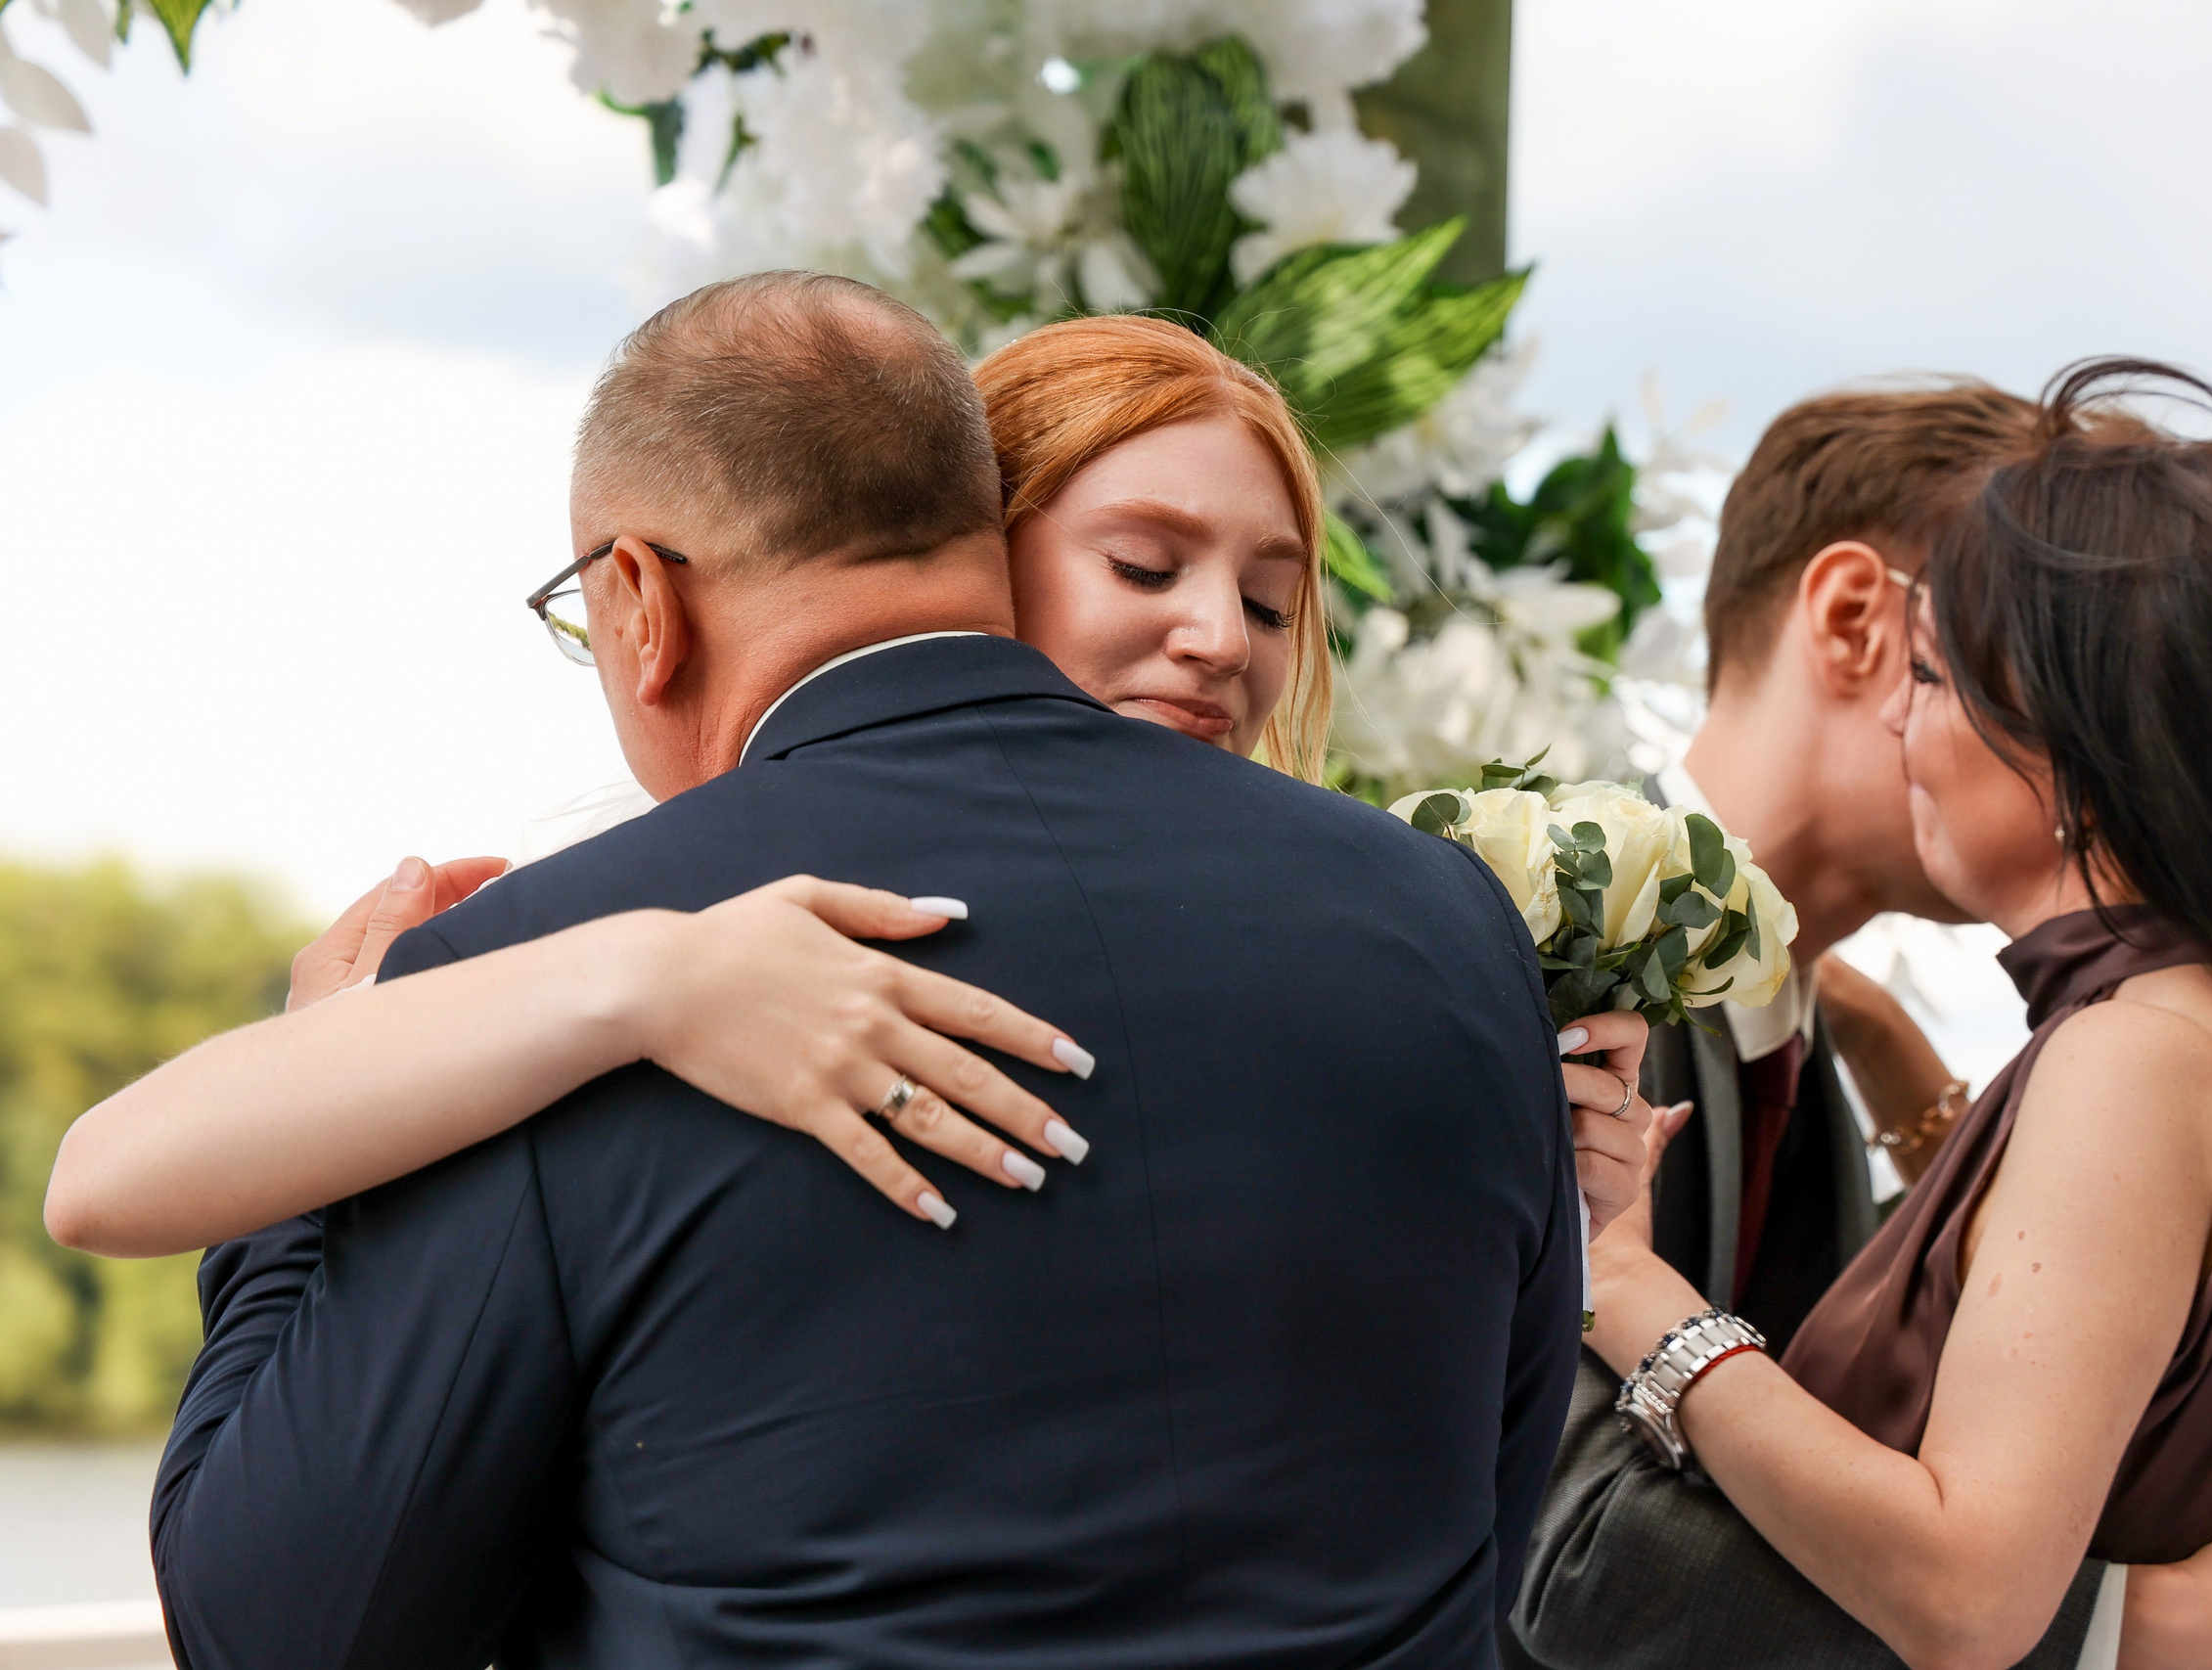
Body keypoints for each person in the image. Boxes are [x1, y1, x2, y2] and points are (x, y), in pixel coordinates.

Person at [124, 273, 1609, 1669]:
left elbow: (290, 1626)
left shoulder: (540, 976)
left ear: (640, 600)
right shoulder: (1452, 921)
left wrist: (348, 1078)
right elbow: (1484, 1514)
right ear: (991, 537)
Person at [45, 308, 1659, 1251]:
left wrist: (1528, 1188)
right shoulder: (630, 883)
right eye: (1145, 564)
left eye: (1267, 600)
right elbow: (108, 1180)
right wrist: (646, 975)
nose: (1214, 640)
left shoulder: (1358, 932)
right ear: (976, 546)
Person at [1508, 378, 2212, 1670]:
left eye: (1952, 667)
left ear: (2091, 717)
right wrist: (2130, 1625)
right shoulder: (1571, 965)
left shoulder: (2134, 1049)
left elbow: (1943, 1551)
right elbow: (1565, 1536)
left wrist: (1622, 1284)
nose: (1913, 716)